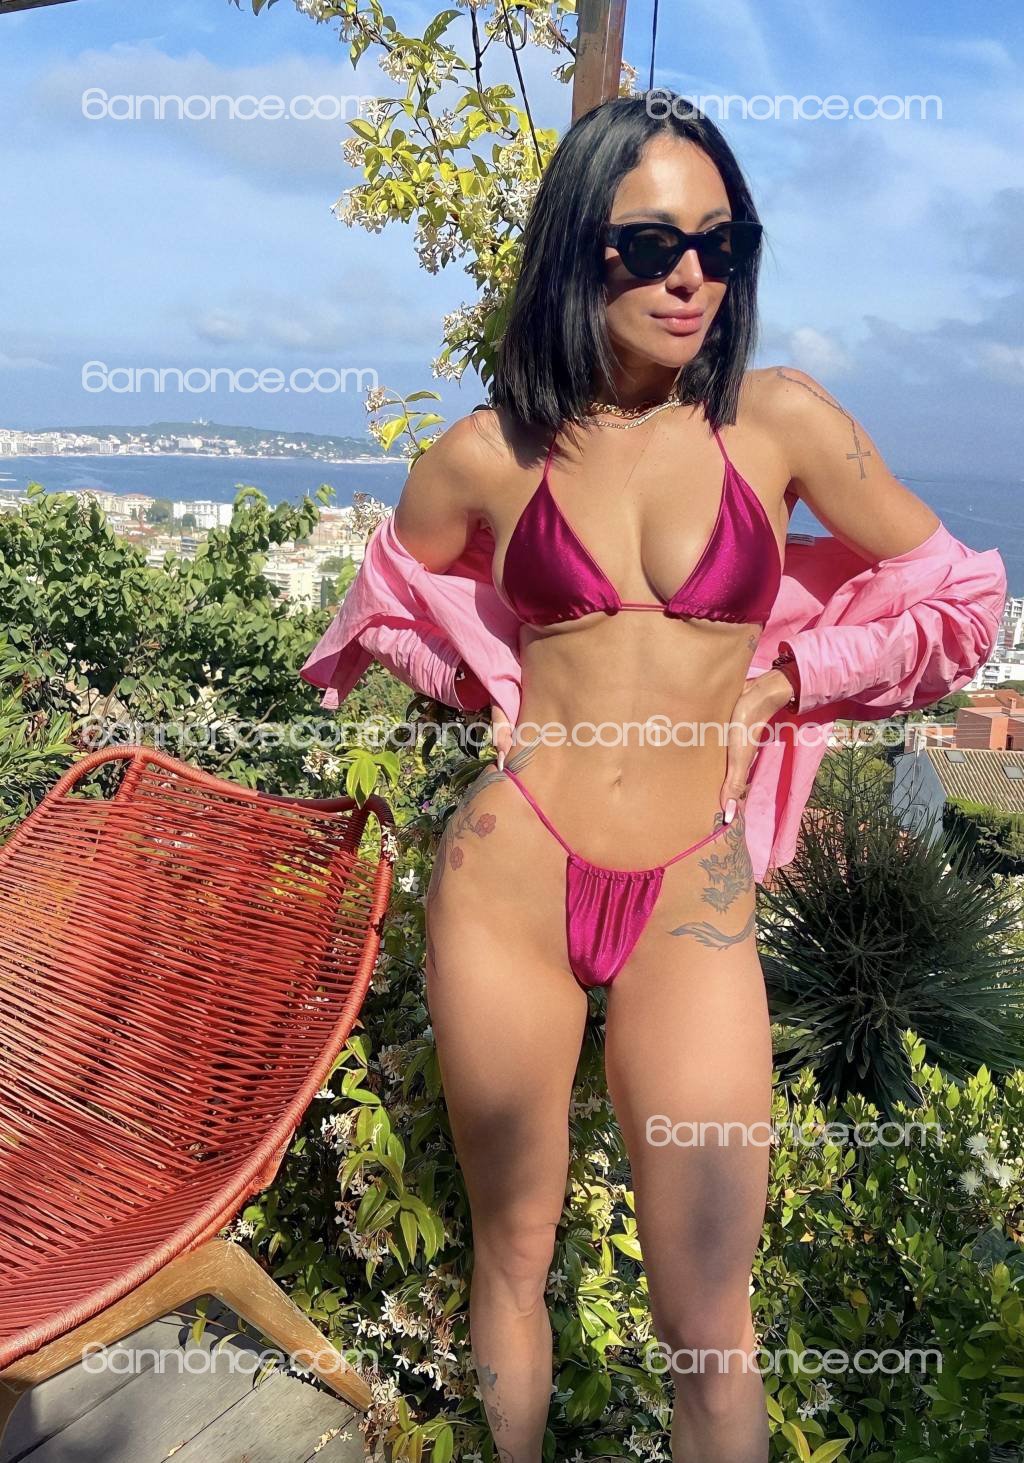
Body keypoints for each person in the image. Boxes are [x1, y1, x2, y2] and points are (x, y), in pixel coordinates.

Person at [300, 95, 1007, 1463]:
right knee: (513, 1255)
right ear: (581, 249)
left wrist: (789, 678)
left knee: (710, 1325)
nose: (691, 276)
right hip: (511, 876)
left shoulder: (777, 421)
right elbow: (384, 599)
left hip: (694, 889)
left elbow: (961, 599)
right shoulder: (490, 452)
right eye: (651, 244)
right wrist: (495, 684)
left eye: (719, 244)